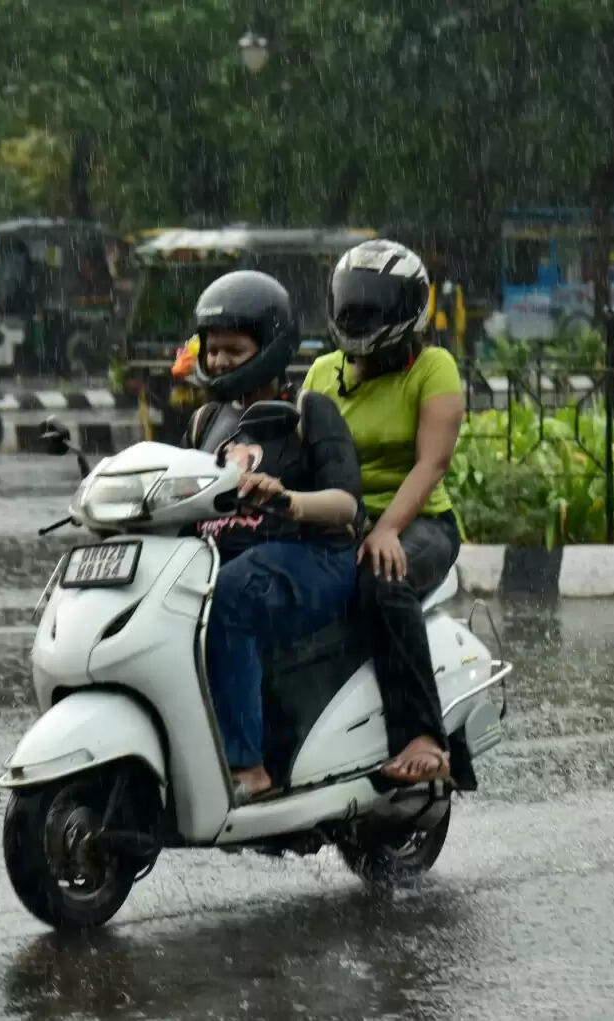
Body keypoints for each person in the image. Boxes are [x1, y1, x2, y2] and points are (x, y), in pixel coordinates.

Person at [184, 271, 363, 803]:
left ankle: (249, 768)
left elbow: (347, 506)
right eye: (212, 350)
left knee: (232, 593)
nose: (219, 361)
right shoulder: (206, 421)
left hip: (313, 556)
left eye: (234, 350)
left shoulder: (309, 411)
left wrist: (286, 499)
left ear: (270, 348)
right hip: (230, 558)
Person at [303, 240, 465, 785]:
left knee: (384, 578)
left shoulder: (433, 368)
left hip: (419, 522)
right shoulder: (322, 372)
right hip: (338, 520)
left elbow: (431, 463)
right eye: (352, 303)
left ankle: (423, 737)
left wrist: (388, 529)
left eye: (371, 305)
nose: (359, 315)